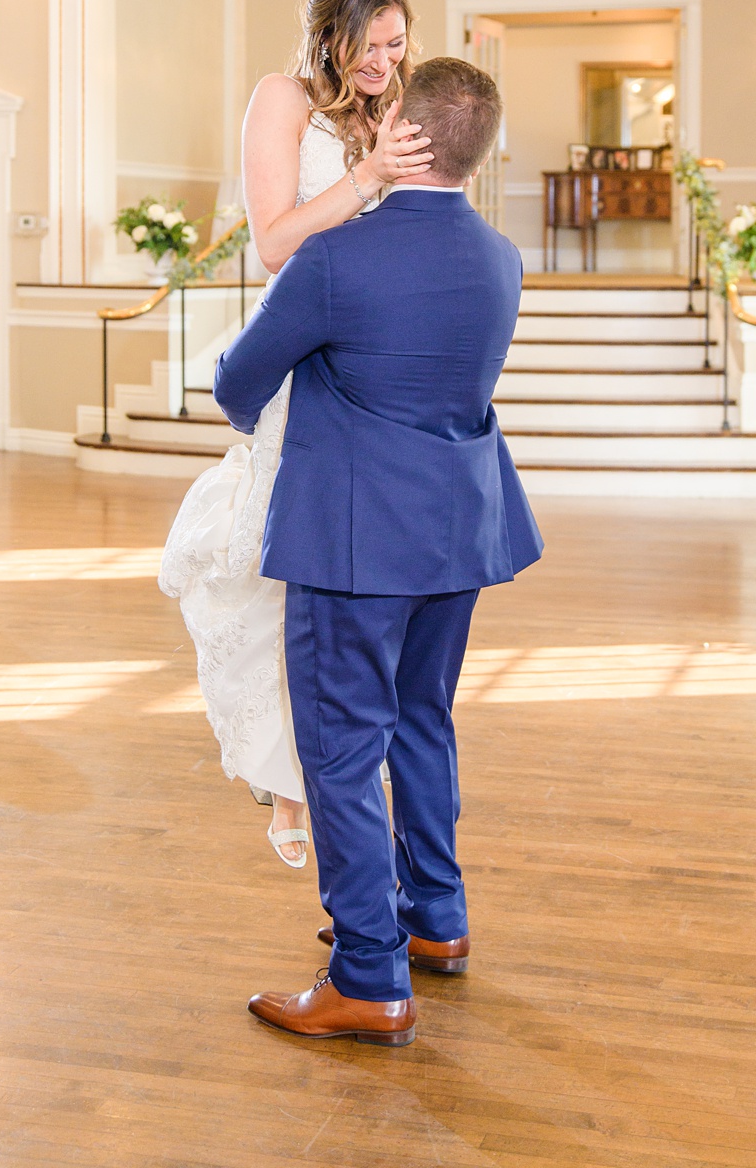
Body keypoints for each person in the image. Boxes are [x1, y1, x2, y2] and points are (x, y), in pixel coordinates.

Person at [221, 55, 541, 1047]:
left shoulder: (336, 258)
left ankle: (368, 972)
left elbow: (240, 382)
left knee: (343, 743)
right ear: (478, 152)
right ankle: (434, 922)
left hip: (355, 537)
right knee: (422, 722)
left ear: (399, 124)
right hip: (459, 528)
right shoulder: (501, 258)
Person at [159, 0, 434, 870]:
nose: (385, 63)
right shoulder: (284, 100)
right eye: (370, 45)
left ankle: (344, 777)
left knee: (355, 579)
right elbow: (276, 243)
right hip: (303, 352)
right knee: (286, 567)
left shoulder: (390, 111)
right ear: (330, 34)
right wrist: (368, 177)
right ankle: (288, 783)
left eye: (397, 45)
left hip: (377, 365)